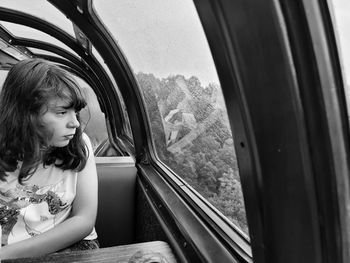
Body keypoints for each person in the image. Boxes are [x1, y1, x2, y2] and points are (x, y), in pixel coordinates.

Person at [0, 58, 99, 259]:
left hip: (72, 246)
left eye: (76, 112)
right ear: (25, 114)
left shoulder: (80, 144)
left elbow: (84, 219)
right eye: (62, 112)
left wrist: (5, 255)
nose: (75, 124)